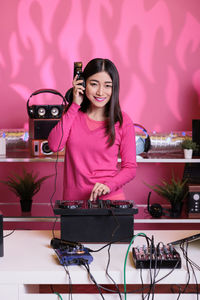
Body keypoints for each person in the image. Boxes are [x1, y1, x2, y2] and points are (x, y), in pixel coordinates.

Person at [48, 58, 137, 204]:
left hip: (109, 201)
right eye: (94, 84)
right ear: (83, 84)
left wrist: (109, 185)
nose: (101, 92)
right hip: (73, 204)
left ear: (114, 88)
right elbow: (54, 145)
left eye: (107, 86)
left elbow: (130, 168)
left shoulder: (123, 121)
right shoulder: (72, 114)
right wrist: (75, 105)